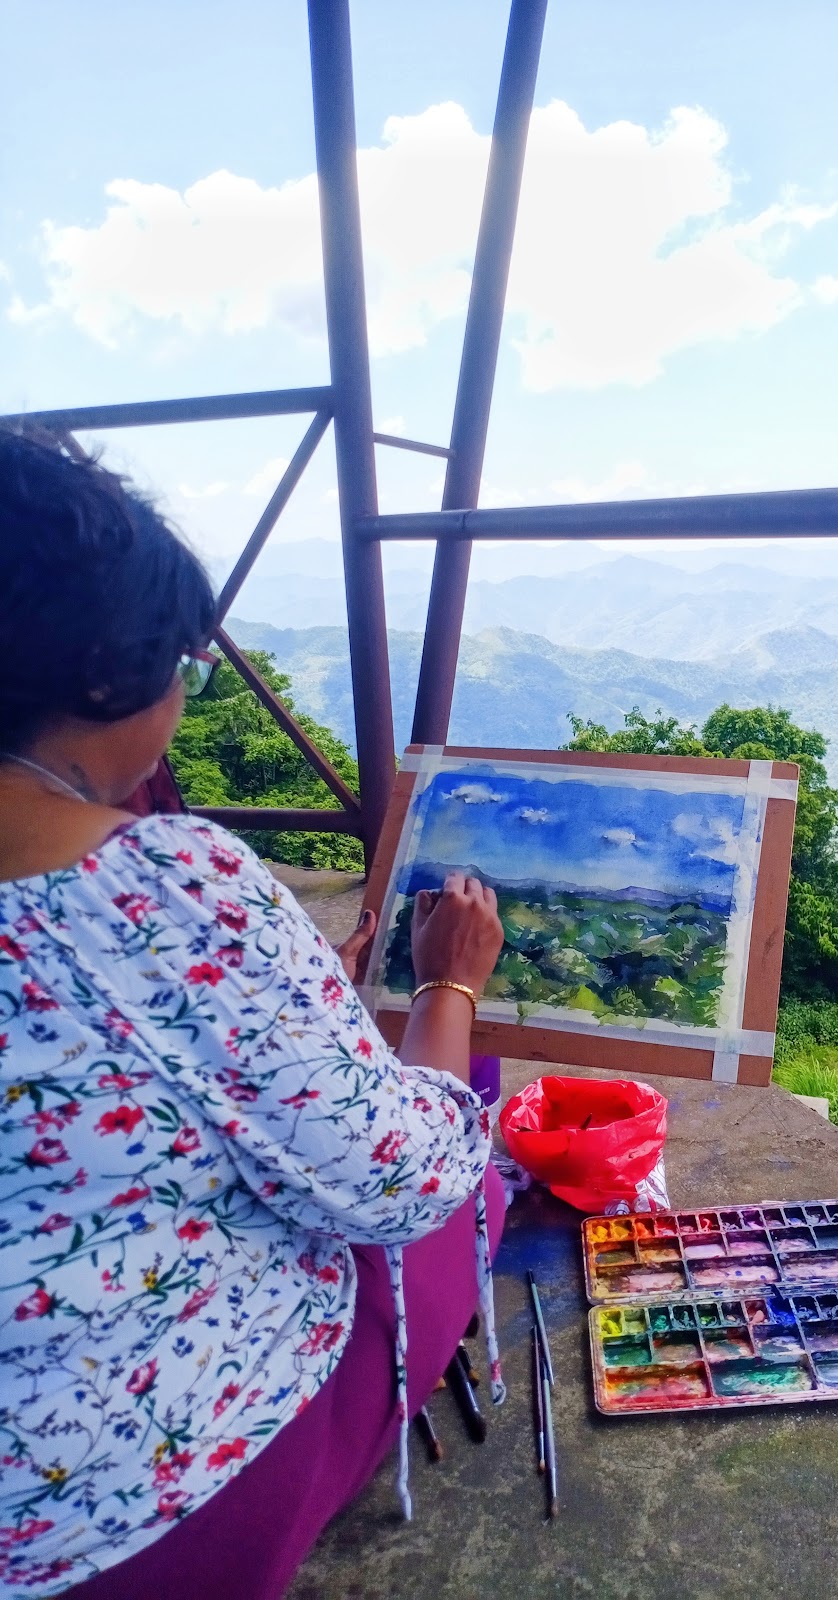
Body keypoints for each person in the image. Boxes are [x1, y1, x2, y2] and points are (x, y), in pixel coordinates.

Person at [0, 429, 507, 1598]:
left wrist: (282, 992)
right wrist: (447, 987)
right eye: (183, 661)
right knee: (463, 1170)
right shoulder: (159, 890)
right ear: (99, 671)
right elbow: (403, 1181)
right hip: (121, 1527)